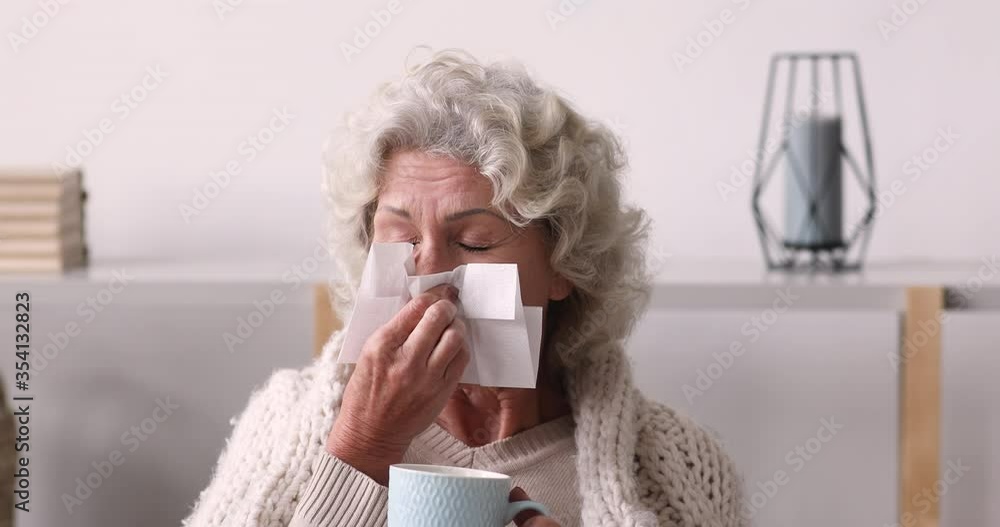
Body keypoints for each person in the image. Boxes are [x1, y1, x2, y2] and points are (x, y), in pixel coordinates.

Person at [183, 49, 745, 527]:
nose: (429, 280)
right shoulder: (287, 422)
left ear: (564, 264)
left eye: (474, 241)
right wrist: (362, 448)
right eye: (400, 238)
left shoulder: (674, 462)